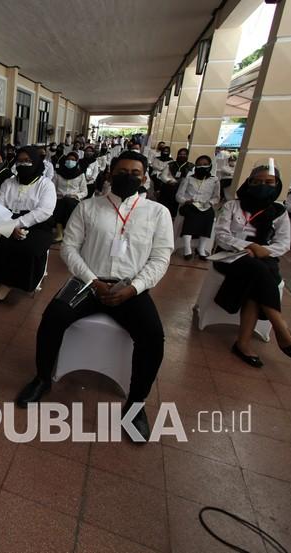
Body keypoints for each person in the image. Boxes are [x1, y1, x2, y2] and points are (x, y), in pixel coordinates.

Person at [15, 150, 174, 442]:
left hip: (131, 287)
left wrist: (135, 287)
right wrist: (92, 280)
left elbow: (161, 257)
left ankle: (136, 405)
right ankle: (41, 379)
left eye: (135, 173)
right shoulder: (88, 207)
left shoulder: (158, 213)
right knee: (52, 317)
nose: (128, 177)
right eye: (122, 172)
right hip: (86, 282)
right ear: (110, 174)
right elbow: (69, 248)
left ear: (145, 177)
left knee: (153, 336)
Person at [213, 164, 291, 368]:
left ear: (277, 185)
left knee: (257, 274)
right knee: (258, 271)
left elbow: (283, 243)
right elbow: (222, 235)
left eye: (269, 182)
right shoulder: (233, 206)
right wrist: (248, 246)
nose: (263, 186)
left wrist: (263, 250)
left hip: (263, 259)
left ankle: (243, 344)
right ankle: (278, 324)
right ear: (249, 182)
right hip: (229, 256)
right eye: (258, 181)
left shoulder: (278, 212)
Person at [0, 147, 56, 303]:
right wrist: (9, 227)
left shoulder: (46, 184)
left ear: (35, 162)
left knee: (24, 246)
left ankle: (8, 283)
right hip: (7, 218)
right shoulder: (9, 182)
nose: (23, 164)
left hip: (37, 224)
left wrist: (15, 225)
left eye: (27, 161)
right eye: (20, 161)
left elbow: (44, 211)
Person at [176, 155, 221, 260]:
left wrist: (210, 202)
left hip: (205, 205)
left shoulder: (214, 180)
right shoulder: (189, 179)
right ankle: (187, 249)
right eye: (199, 165)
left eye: (205, 164)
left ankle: (201, 248)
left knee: (209, 215)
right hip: (190, 205)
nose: (202, 167)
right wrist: (186, 200)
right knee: (191, 215)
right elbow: (178, 196)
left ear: (210, 166)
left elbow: (216, 197)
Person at [51, 151, 88, 241]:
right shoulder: (58, 173)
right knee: (62, 203)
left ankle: (65, 231)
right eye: (68, 159)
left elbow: (84, 191)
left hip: (73, 199)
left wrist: (75, 195)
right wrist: (58, 194)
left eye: (73, 160)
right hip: (59, 198)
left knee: (69, 203)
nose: (70, 161)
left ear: (76, 162)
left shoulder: (80, 175)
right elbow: (51, 188)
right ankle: (60, 232)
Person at [157, 148, 193, 218]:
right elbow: (163, 175)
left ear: (187, 155)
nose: (182, 156)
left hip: (181, 188)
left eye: (184, 154)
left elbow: (190, 178)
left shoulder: (191, 166)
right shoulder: (171, 164)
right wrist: (169, 181)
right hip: (169, 186)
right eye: (180, 154)